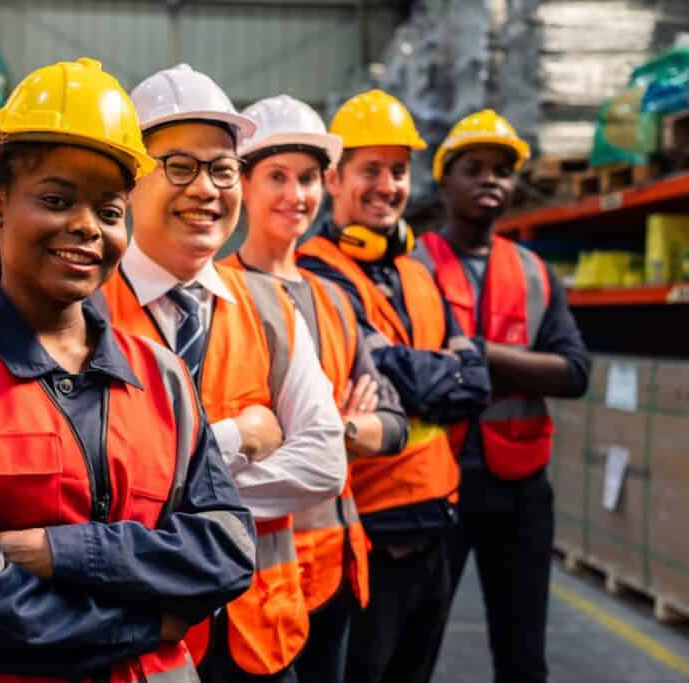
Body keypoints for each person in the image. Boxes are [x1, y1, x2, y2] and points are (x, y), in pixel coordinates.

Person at [0, 57, 257, 683]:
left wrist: (53, 551)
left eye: (109, 209)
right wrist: (152, 621)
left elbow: (227, 551)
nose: (85, 227)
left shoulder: (164, 378)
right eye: (55, 199)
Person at [93, 65, 347, 683]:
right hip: (131, 639)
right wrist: (236, 440)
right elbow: (88, 488)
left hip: (257, 637)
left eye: (222, 169)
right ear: (130, 182)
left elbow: (324, 464)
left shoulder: (271, 308)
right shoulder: (85, 312)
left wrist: (167, 500)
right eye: (179, 167)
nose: (206, 189)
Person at [295, 89, 492, 683]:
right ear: (334, 178)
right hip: (367, 534)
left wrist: (429, 375)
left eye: (399, 171)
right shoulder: (315, 274)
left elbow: (475, 382)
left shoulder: (419, 269)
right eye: (370, 170)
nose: (387, 186)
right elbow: (379, 378)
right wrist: (439, 373)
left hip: (437, 523)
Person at [218, 94, 409, 682]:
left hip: (337, 569)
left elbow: (395, 423)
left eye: (306, 178)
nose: (294, 195)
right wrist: (339, 429)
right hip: (252, 576)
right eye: (276, 176)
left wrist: (330, 431)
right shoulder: (217, 295)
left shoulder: (334, 301)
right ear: (243, 184)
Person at [418, 109, 591, 683]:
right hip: (432, 489)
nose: (490, 179)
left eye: (502, 170)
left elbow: (574, 372)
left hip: (519, 489)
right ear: (445, 181)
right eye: (474, 168)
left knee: (522, 656)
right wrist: (522, 367)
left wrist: (481, 354)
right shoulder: (410, 270)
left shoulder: (536, 274)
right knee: (409, 650)